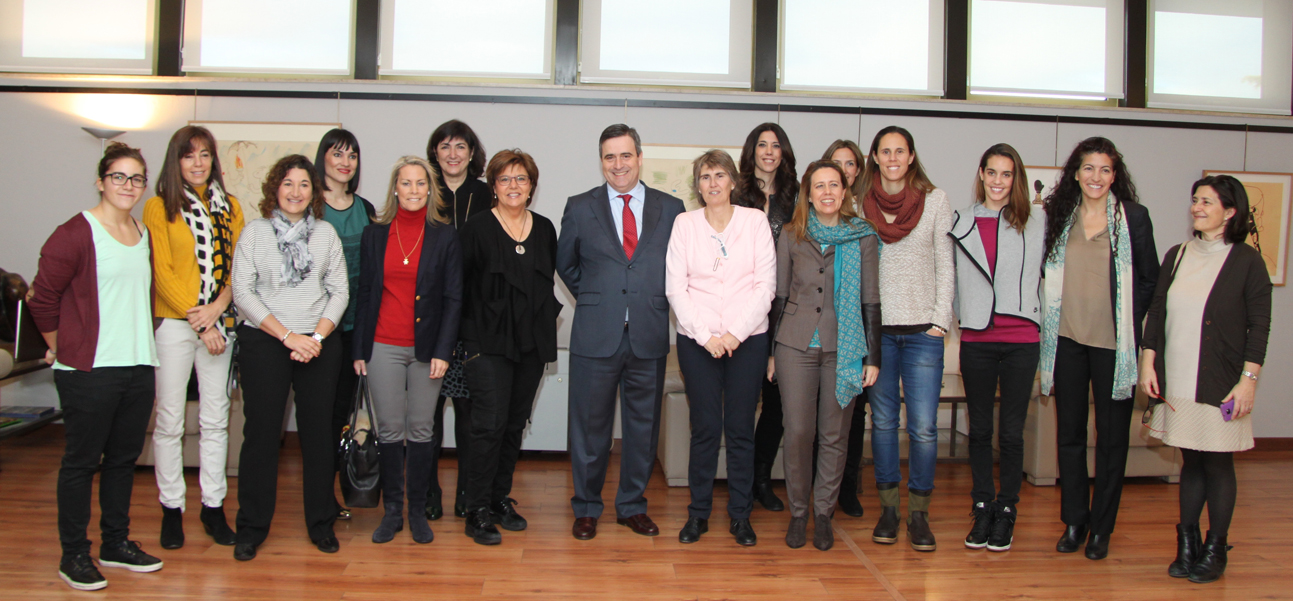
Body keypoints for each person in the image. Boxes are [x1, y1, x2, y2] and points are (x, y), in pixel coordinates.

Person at [30, 142, 164, 590]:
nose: (128, 186)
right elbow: (42, 297)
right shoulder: (75, 232)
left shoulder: (142, 233)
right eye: (119, 177)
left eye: (137, 178)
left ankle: (115, 542)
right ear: (101, 181)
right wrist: (61, 345)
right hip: (88, 371)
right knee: (81, 463)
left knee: (124, 460)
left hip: (138, 365)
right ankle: (74, 555)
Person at [557, 123, 685, 540]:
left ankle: (631, 505)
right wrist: (597, 298)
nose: (618, 164)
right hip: (596, 334)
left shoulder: (672, 208)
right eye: (610, 157)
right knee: (589, 429)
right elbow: (566, 264)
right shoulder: (579, 206)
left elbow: (679, 268)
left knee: (642, 430)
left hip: (648, 333)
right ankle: (587, 507)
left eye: (625, 155)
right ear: (601, 161)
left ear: (640, 157)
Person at [1140, 175, 1270, 583]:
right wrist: (1148, 360)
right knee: (1190, 461)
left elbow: (1259, 327)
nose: (1197, 207)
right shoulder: (1177, 255)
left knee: (1217, 462)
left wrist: (1248, 380)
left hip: (1221, 381)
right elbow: (1157, 312)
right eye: (1195, 200)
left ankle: (1216, 548)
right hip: (1177, 377)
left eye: (1207, 202)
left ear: (1230, 212)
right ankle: (1187, 544)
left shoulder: (1247, 261)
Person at [1039, 136, 1158, 561]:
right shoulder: (1059, 215)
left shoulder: (1133, 218)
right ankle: (1075, 520)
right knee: (1069, 436)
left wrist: (1131, 326)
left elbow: (1150, 280)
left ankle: (1101, 529)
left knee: (1110, 442)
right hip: (1067, 340)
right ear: (1076, 173)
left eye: (1106, 170)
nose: (1097, 177)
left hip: (1114, 347)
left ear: (1115, 175)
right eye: (1089, 168)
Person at [230, 154, 349, 560]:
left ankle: (321, 524)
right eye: (288, 183)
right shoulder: (255, 233)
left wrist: (314, 336)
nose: (296, 192)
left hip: (319, 343)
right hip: (266, 342)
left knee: (318, 436)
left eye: (304, 184)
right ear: (274, 189)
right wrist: (287, 336)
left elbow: (340, 292)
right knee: (261, 436)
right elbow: (243, 293)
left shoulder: (326, 235)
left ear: (313, 192)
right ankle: (251, 528)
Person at [768, 160, 881, 551]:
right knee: (798, 432)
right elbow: (780, 296)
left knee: (834, 435)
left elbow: (870, 300)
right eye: (820, 186)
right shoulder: (790, 234)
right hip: (794, 346)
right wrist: (770, 353)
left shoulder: (863, 235)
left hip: (844, 347)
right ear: (809, 193)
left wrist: (873, 357)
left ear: (846, 191)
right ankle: (799, 513)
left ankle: (822, 514)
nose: (828, 192)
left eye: (835, 185)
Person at [665, 150, 775, 546]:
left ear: (733, 181)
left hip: (747, 340)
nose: (713, 183)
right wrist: (706, 335)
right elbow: (676, 288)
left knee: (741, 429)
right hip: (698, 342)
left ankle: (741, 517)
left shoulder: (755, 221)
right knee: (706, 429)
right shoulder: (684, 224)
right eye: (705, 176)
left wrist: (734, 334)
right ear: (698, 185)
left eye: (720, 175)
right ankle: (698, 515)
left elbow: (766, 287)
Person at [143, 125, 243, 549]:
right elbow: (162, 274)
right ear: (175, 161)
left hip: (220, 325)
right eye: (189, 156)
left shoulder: (231, 208)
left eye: (205, 155)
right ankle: (172, 509)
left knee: (216, 419)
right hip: (176, 326)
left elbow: (239, 269)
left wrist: (217, 311)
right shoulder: (157, 207)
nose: (198, 163)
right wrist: (200, 322)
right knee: (169, 420)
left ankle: (213, 507)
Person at [352, 156, 461, 545]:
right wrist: (360, 349)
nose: (413, 190)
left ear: (430, 190)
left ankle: (417, 512)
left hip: (427, 350)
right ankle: (392, 512)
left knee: (421, 430)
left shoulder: (445, 236)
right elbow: (365, 293)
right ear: (394, 188)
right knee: (388, 431)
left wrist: (444, 351)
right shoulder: (375, 234)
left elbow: (453, 299)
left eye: (420, 184)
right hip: (382, 345)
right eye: (406, 183)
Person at [858, 126, 954, 552]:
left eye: (900, 151)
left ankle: (919, 515)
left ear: (911, 156)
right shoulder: (859, 204)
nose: (893, 157)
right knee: (881, 424)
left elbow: (945, 264)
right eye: (885, 151)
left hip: (922, 335)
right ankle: (889, 510)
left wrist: (940, 321)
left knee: (923, 429)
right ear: (875, 157)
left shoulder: (935, 200)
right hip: (877, 334)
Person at [458, 149, 560, 545]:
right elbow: (460, 288)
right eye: (505, 179)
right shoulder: (476, 228)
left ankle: (500, 498)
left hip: (530, 344)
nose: (513, 186)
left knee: (515, 425)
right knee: (488, 425)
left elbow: (543, 284)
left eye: (521, 179)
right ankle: (476, 509)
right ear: (493, 186)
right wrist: (468, 344)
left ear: (532, 185)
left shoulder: (546, 229)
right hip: (486, 342)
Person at [950, 144, 1044, 552]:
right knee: (980, 429)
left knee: (1010, 432)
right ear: (982, 174)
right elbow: (950, 275)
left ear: (1016, 178)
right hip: (977, 338)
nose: (998, 181)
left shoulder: (1036, 221)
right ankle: (982, 505)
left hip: (1022, 339)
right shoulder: (961, 221)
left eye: (1007, 174)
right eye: (992, 172)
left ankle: (1007, 510)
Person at [425, 119, 491, 520]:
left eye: (460, 147)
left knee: (469, 415)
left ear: (471, 153)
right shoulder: (422, 191)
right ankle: (429, 491)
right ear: (435, 152)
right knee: (427, 417)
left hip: (471, 320)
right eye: (445, 146)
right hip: (428, 319)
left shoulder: (485, 194)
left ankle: (467, 490)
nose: (452, 154)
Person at [733, 123, 799, 513]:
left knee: (776, 401)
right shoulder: (737, 194)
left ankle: (761, 479)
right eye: (762, 145)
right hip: (742, 306)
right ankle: (739, 481)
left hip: (786, 308)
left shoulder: (796, 196)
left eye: (776, 146)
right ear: (752, 151)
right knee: (742, 398)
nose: (769, 152)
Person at [316, 128, 377, 523]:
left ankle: (342, 490)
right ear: (322, 158)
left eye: (352, 155)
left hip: (357, 328)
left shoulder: (366, 208)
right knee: (320, 415)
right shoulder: (307, 205)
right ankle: (319, 497)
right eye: (337, 154)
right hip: (318, 330)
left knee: (345, 415)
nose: (345, 162)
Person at [819, 138, 870, 518]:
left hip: (852, 341)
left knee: (851, 422)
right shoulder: (811, 225)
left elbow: (871, 296)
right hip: (815, 337)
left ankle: (846, 489)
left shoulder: (862, 227)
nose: (843, 170)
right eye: (835, 165)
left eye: (849, 164)